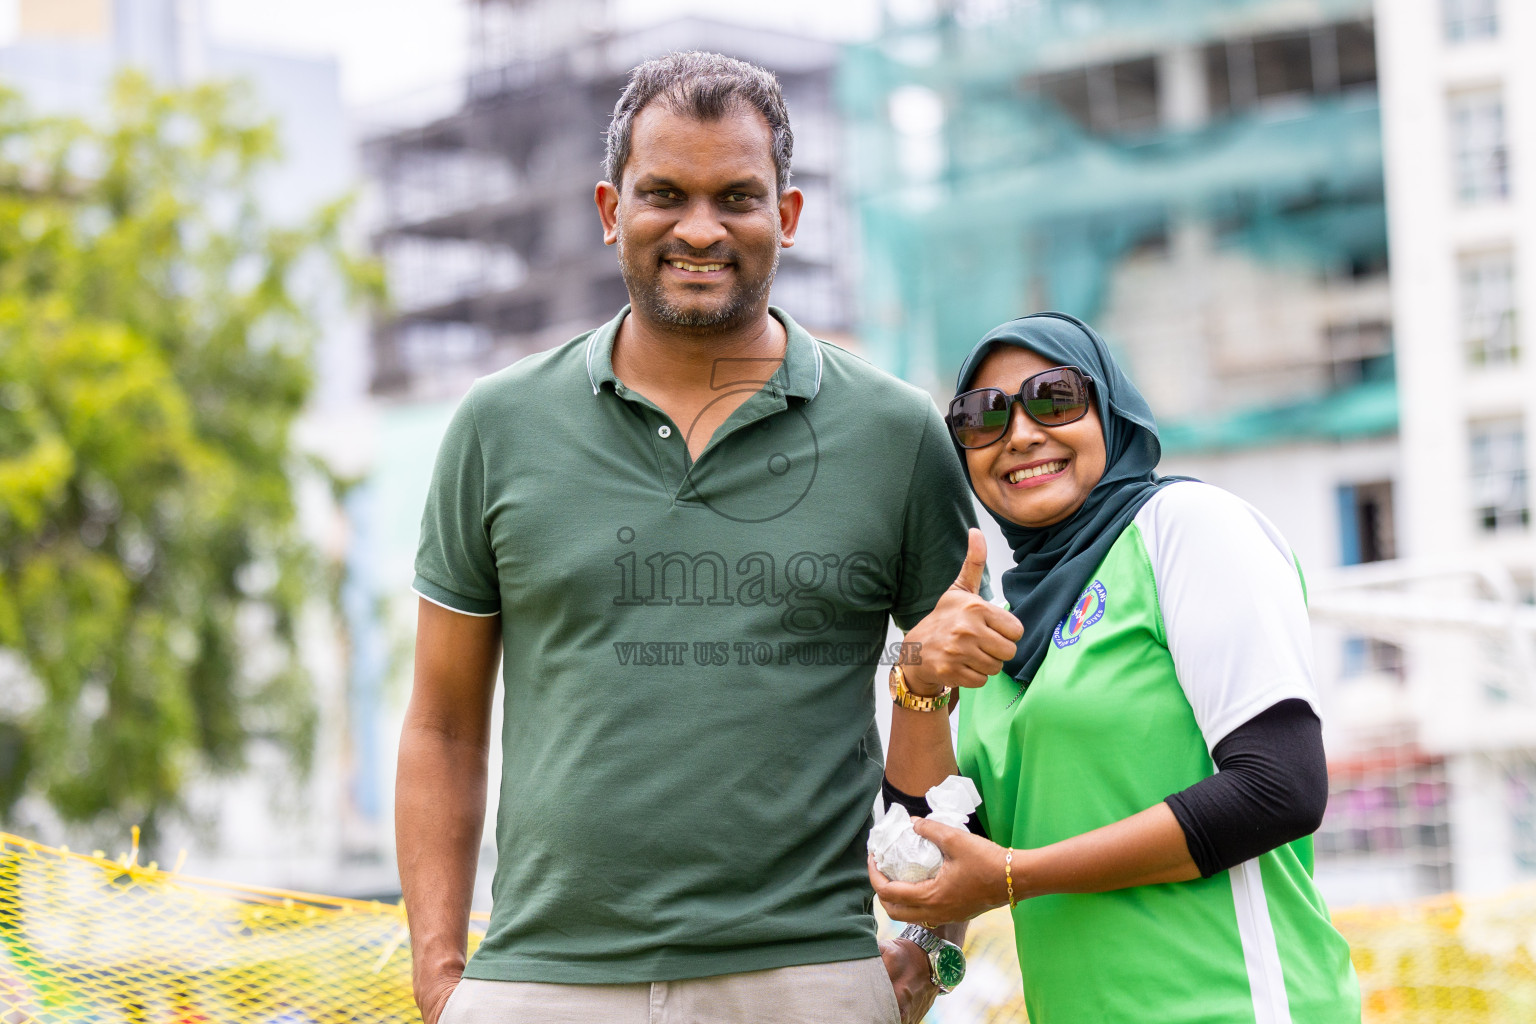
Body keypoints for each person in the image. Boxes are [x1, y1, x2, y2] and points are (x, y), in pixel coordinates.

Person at [396, 52, 982, 1024]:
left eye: (737, 197)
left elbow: (954, 728)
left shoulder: (895, 434)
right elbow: (443, 722)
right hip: (544, 978)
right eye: (664, 193)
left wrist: (930, 949)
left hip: (809, 975)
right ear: (608, 209)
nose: (700, 228)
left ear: (787, 215)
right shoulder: (498, 425)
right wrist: (439, 975)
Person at [870, 312, 1362, 1023]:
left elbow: (1280, 787)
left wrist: (1016, 877)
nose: (1021, 434)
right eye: (983, 417)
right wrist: (916, 684)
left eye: (1055, 397)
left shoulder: (1188, 528)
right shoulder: (1000, 626)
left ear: (1111, 410)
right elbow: (934, 860)